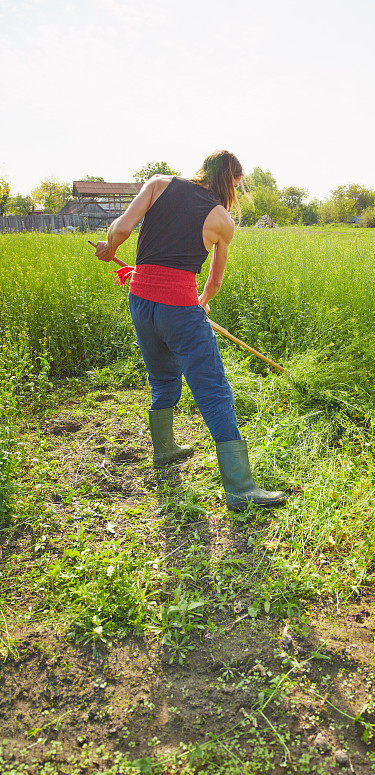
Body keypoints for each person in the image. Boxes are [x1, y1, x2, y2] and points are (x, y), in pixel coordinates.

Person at [94, 150, 285, 511]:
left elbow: (120, 229)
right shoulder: (222, 220)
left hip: (140, 302)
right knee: (214, 392)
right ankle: (241, 488)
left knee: (163, 377)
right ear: (230, 181)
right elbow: (213, 281)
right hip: (180, 311)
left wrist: (111, 249)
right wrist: (199, 301)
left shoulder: (158, 184)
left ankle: (164, 449)